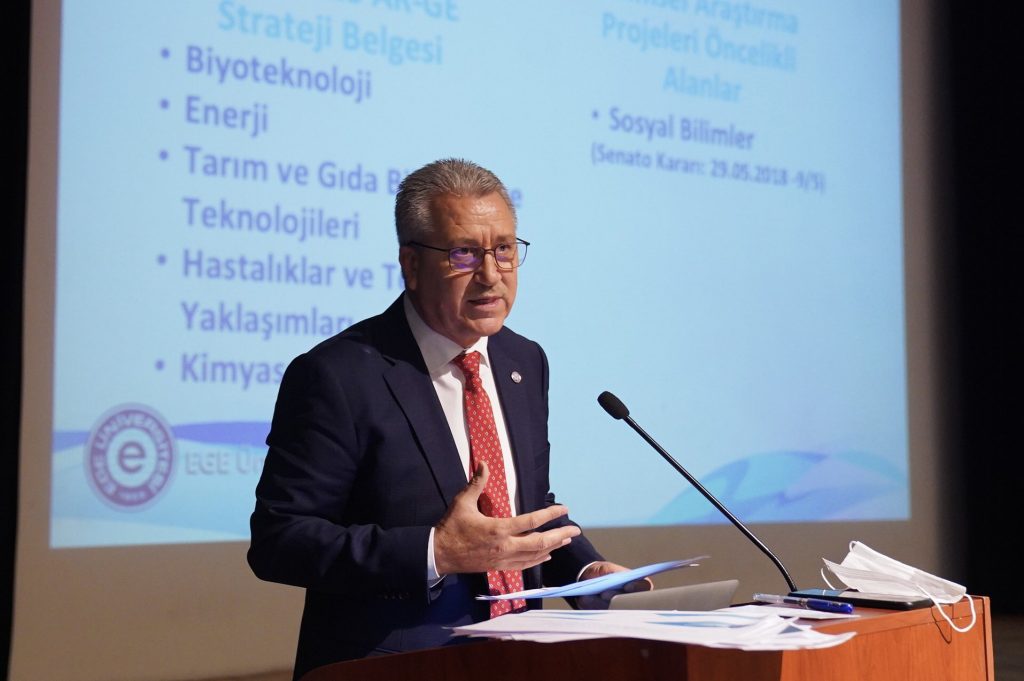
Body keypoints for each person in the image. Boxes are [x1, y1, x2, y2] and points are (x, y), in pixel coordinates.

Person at [248, 158, 646, 680]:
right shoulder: (338, 375)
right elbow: (280, 541)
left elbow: (525, 504)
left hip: (522, 659)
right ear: (411, 264)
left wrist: (588, 574)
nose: (491, 275)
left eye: (504, 250)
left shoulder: (524, 361)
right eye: (464, 253)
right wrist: (436, 551)